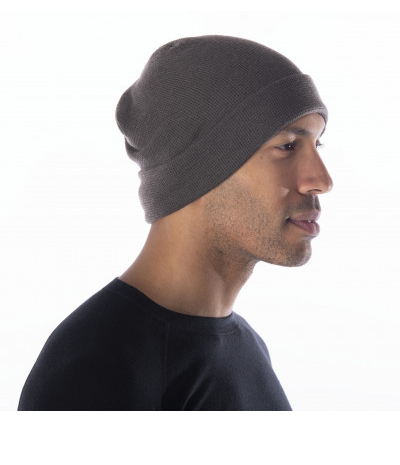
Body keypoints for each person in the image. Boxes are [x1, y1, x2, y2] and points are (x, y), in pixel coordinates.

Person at [18, 35, 333, 411]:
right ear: (200, 170)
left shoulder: (247, 348)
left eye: (318, 145)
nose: (321, 180)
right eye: (287, 145)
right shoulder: (94, 365)